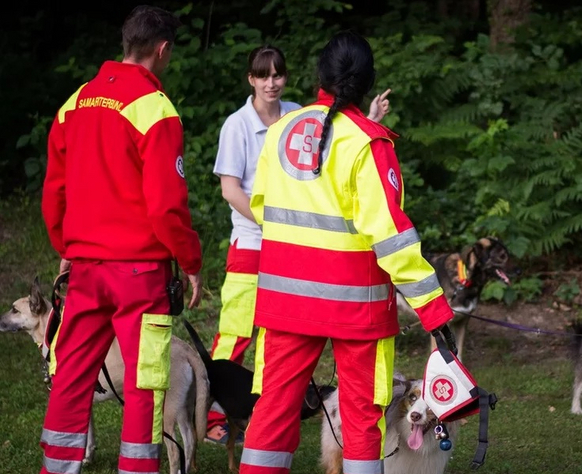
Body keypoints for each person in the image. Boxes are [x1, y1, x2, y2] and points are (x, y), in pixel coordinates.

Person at [238, 31, 454, 474]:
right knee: (361, 415)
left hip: (285, 300)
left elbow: (260, 206)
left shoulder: (279, 131)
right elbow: (391, 238)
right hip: (356, 307)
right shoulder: (368, 142)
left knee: (273, 409)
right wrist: (434, 311)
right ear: (368, 82)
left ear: (320, 75)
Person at [40, 6, 202, 474]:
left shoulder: (76, 102)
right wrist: (189, 259)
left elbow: (54, 192)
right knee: (144, 381)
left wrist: (68, 249)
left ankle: (57, 467)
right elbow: (166, 206)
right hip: (141, 272)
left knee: (71, 374)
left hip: (86, 268)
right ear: (163, 49)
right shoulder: (155, 109)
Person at [207, 44, 391, 444]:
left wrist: (368, 120)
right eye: (263, 75)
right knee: (237, 331)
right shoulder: (237, 125)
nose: (271, 82)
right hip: (254, 241)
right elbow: (230, 189)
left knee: (280, 341)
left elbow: (333, 151)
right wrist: (274, 223)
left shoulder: (296, 114)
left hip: (295, 248)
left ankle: (260, 413)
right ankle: (213, 413)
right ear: (251, 79)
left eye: (278, 74)